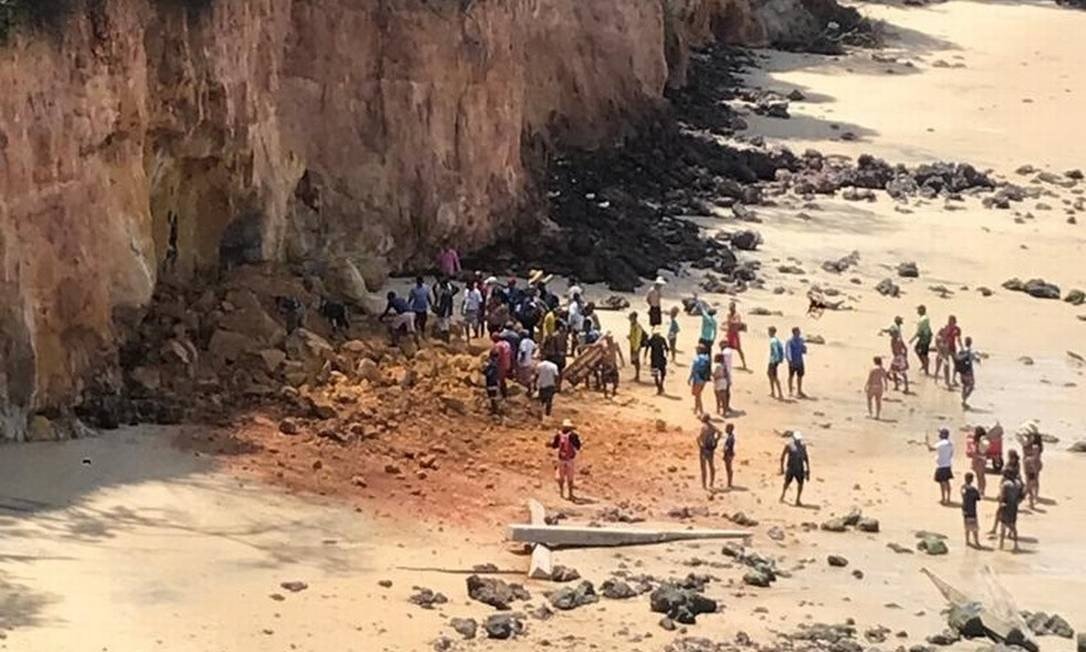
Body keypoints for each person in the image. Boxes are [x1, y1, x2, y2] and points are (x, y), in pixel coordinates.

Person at [550, 419, 583, 501]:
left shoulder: (558, 435)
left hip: (561, 458)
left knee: (561, 476)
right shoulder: (573, 435)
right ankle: (570, 494)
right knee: (570, 477)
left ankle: (561, 493)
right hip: (570, 459)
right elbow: (578, 446)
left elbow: (554, 446)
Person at [779, 431, 810, 506]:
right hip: (791, 468)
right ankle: (783, 495)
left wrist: (808, 470)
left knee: (800, 484)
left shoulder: (803, 446)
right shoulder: (789, 446)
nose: (798, 441)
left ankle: (797, 500)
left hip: (800, 469)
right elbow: (782, 457)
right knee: (786, 483)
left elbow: (806, 458)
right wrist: (782, 469)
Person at [926, 428, 954, 505]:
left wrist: (927, 442)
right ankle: (948, 498)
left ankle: (943, 498)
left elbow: (931, 449)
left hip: (941, 465)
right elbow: (951, 454)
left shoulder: (941, 443)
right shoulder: (950, 444)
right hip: (947, 464)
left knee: (942, 483)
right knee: (947, 482)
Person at [998, 469, 1021, 552]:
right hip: (1014, 507)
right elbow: (1021, 495)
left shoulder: (1006, 484)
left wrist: (1000, 503)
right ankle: (1016, 544)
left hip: (1006, 506)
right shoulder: (1018, 484)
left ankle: (1001, 545)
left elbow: (1002, 496)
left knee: (1003, 526)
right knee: (1013, 526)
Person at [696, 414, 720, 491]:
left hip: (704, 448)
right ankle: (711, 482)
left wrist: (700, 445)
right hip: (710, 448)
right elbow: (720, 432)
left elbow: (698, 438)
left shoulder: (703, 427)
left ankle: (704, 484)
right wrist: (716, 440)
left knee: (703, 467)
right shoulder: (712, 427)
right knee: (711, 465)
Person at [431, 276, 460, 342]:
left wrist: (437, 308)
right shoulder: (446, 290)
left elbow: (439, 300)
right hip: (445, 309)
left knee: (444, 325)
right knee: (443, 324)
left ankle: (445, 340)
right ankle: (445, 339)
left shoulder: (444, 291)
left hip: (443, 310)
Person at [956, 336, 980, 409]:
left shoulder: (961, 350)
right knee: (971, 386)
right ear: (971, 343)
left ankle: (964, 401)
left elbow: (957, 358)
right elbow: (974, 358)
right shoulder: (969, 351)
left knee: (964, 386)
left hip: (962, 371)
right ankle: (964, 400)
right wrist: (977, 360)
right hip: (968, 371)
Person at [909, 305, 933, 375]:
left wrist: (912, 339)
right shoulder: (924, 318)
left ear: (922, 310)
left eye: (918, 310)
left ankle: (926, 370)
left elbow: (919, 331)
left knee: (923, 354)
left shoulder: (923, 319)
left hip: (924, 338)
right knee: (917, 350)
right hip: (926, 337)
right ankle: (924, 364)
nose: (917, 311)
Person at [785, 327, 808, 398]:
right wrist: (789, 361)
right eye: (798, 332)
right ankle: (790, 391)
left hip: (800, 361)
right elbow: (787, 352)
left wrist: (804, 349)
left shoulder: (801, 340)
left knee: (800, 377)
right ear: (794, 332)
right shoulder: (790, 341)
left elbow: (803, 351)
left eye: (799, 331)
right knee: (791, 376)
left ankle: (799, 391)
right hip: (793, 362)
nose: (799, 333)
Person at [688, 344, 712, 415]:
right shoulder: (707, 358)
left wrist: (690, 378)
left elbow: (694, 369)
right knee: (697, 394)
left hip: (697, 379)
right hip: (704, 379)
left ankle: (701, 411)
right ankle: (696, 409)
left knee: (697, 395)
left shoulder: (697, 358)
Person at [966, 426, 989, 497]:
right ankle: (981, 490)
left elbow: (975, 451)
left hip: (978, 460)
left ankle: (981, 491)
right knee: (981, 476)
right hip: (981, 460)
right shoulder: (983, 441)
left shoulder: (979, 442)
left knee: (980, 476)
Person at [647, 326, 670, 395]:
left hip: (654, 359)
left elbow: (647, 347)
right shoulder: (662, 339)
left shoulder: (652, 339)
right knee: (662, 374)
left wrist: (645, 357)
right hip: (661, 359)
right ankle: (660, 385)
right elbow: (667, 349)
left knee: (655, 375)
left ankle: (659, 387)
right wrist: (666, 355)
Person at [961, 472, 982, 548]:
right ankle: (976, 542)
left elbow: (963, 496)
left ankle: (967, 541)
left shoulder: (963, 487)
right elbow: (978, 498)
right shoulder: (973, 489)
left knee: (966, 526)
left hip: (965, 509)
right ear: (972, 480)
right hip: (972, 510)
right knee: (974, 528)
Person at [1023, 432, 1043, 510]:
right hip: (1036, 465)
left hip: (1032, 466)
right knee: (1035, 481)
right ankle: (1035, 496)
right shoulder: (1039, 447)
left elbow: (1033, 456)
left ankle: (1032, 499)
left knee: (1030, 483)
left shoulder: (1034, 447)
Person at [725, 302, 748, 370]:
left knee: (738, 349)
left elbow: (738, 322)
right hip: (729, 333)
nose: (730, 309)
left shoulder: (737, 315)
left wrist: (731, 322)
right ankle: (725, 363)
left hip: (734, 334)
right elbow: (728, 322)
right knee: (725, 347)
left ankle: (744, 364)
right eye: (729, 308)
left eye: (731, 307)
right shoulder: (729, 314)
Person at [865, 356, 889, 420]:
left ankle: (870, 414)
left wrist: (866, 386)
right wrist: (886, 386)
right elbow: (885, 379)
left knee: (869, 399)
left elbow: (870, 378)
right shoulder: (883, 369)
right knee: (878, 401)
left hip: (873, 386)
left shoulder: (873, 369)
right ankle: (877, 415)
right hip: (880, 386)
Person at [627, 312, 648, 383]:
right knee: (634, 361)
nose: (629, 319)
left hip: (636, 346)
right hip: (633, 344)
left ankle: (637, 376)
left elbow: (638, 337)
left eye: (630, 318)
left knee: (636, 360)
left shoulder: (637, 326)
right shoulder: (632, 325)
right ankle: (636, 375)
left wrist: (636, 348)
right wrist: (630, 337)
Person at [490, 333, 513, 397]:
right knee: (502, 379)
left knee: (500, 380)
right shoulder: (506, 343)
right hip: (507, 363)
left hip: (501, 365)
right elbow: (511, 353)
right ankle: (504, 393)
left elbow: (497, 356)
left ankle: (503, 394)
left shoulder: (497, 346)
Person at [767, 326, 785, 399]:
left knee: (774, 376)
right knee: (770, 375)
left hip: (773, 361)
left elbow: (775, 351)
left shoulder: (773, 341)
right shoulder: (776, 340)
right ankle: (773, 392)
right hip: (774, 361)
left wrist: (775, 360)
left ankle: (779, 393)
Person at [722, 423, 737, 489]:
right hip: (729, 454)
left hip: (728, 454)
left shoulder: (730, 438)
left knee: (728, 469)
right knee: (728, 468)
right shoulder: (731, 437)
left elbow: (728, 447)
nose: (725, 429)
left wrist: (725, 451)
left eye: (727, 428)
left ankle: (729, 483)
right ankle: (729, 483)